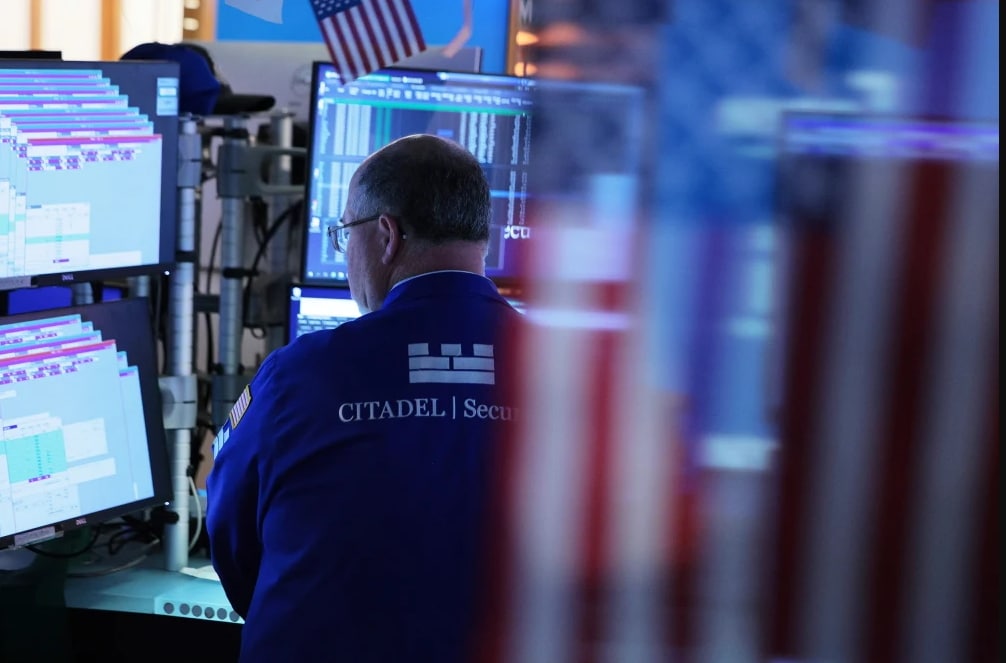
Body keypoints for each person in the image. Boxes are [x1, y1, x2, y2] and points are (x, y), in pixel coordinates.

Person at [206, 134, 524, 662]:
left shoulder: (296, 376)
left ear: (386, 236)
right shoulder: (581, 381)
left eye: (344, 235)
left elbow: (232, 542)